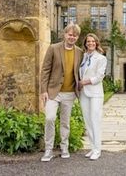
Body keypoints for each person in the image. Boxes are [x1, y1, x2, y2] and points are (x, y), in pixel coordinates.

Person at [40, 23, 83, 162]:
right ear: (65, 34)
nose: (72, 37)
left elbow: (80, 72)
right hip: (53, 92)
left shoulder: (79, 52)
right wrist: (43, 91)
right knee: (49, 118)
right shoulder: (53, 48)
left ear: (77, 37)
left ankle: (64, 147)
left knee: (65, 122)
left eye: (75, 35)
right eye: (70, 34)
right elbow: (45, 70)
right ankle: (48, 150)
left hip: (69, 93)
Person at [78, 33, 107, 161]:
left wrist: (84, 82)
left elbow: (100, 77)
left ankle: (97, 150)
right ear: (85, 43)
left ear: (96, 43)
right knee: (87, 121)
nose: (90, 43)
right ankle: (92, 148)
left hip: (95, 93)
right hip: (84, 93)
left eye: (93, 41)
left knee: (95, 120)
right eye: (88, 41)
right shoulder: (83, 57)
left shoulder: (101, 58)